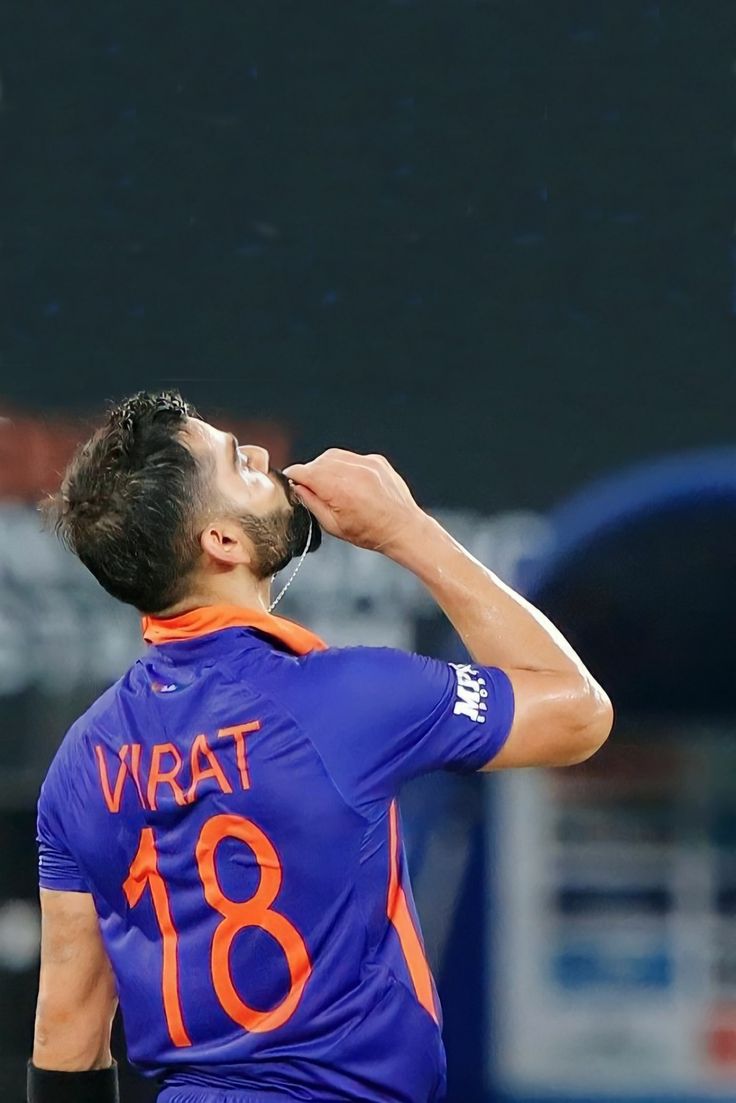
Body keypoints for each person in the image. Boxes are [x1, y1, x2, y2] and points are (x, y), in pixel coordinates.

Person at [28, 391, 613, 1103]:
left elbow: (67, 1034)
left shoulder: (82, 759)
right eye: (240, 463)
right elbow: (580, 711)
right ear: (223, 542)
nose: (267, 458)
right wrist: (405, 528)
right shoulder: (351, 698)